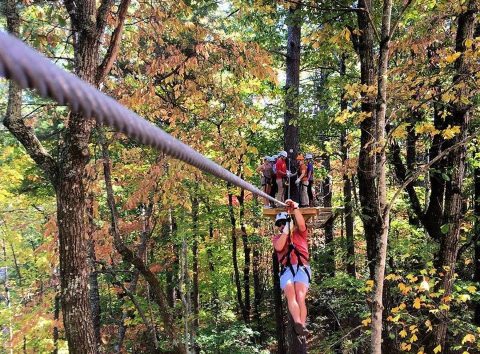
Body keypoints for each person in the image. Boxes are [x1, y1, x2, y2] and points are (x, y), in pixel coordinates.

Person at [272, 199, 311, 336]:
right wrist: (285, 233)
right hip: (287, 269)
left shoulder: (300, 233)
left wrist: (295, 208)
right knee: (290, 293)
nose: (282, 226)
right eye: (280, 225)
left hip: (302, 267)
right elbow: (279, 247)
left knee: (300, 296)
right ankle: (298, 323)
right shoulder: (277, 238)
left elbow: (301, 223)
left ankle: (303, 324)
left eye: (284, 223)